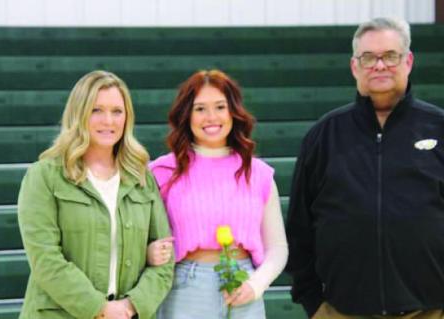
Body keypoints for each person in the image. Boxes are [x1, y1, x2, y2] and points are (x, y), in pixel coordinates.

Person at [286, 17, 444, 319]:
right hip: (341, 311)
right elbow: (299, 229)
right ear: (354, 66)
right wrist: (313, 302)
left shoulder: (439, 127)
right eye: (369, 57)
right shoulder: (324, 135)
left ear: (408, 61)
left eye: (390, 56)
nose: (379, 65)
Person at [17, 70, 174, 319]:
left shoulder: (141, 178)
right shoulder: (44, 176)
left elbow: (165, 261)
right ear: (79, 114)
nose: (108, 121)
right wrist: (100, 309)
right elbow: (45, 260)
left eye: (117, 111)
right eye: (96, 110)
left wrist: (129, 307)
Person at [146, 69, 288, 319]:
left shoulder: (258, 173)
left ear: (233, 112)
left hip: (244, 284)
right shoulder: (163, 171)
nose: (211, 117)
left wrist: (256, 285)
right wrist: (149, 253)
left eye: (220, 107)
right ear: (187, 115)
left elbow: (277, 247)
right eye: (200, 108)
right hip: (186, 287)